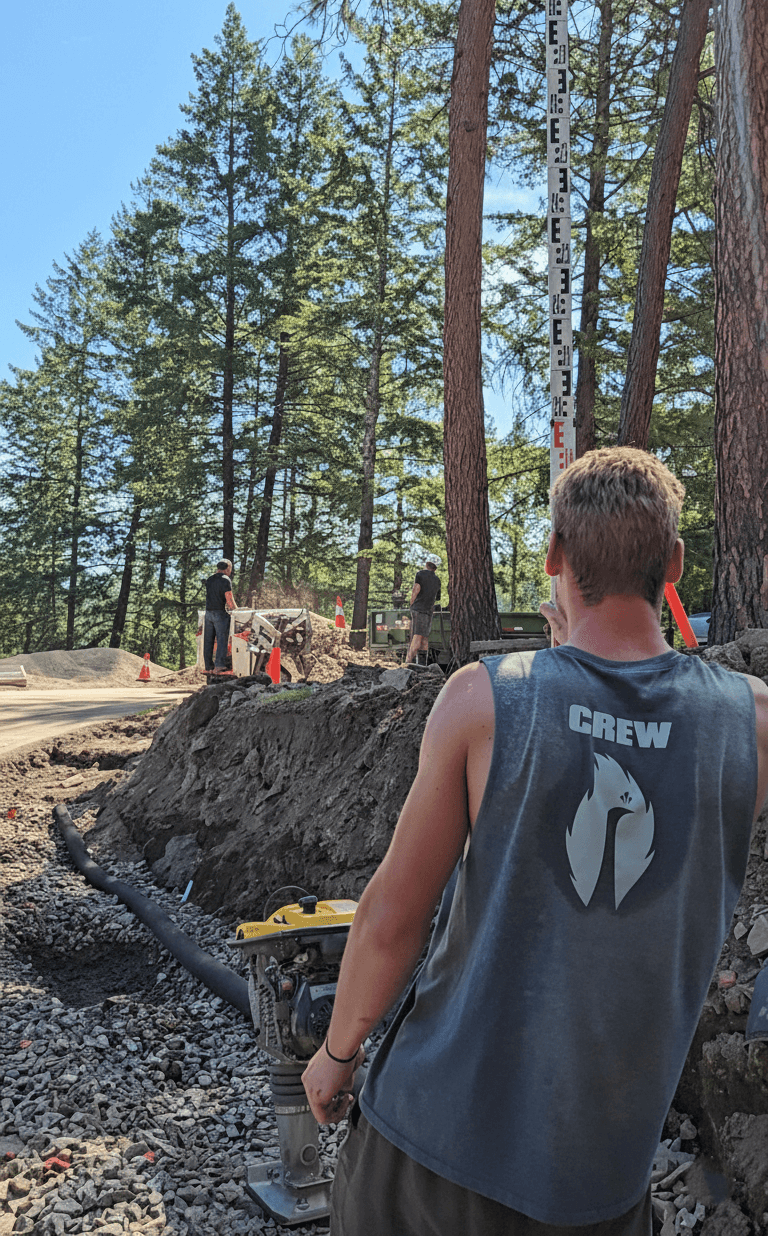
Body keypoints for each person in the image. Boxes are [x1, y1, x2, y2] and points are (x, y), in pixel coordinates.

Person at [301, 448, 768, 1236]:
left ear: (553, 556)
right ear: (676, 564)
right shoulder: (749, 720)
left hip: (429, 1157)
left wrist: (337, 1055)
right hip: (597, 1185)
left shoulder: (487, 698)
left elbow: (390, 920)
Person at [405, 553, 442, 666]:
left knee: (416, 636)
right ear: (436, 567)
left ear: (426, 564)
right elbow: (437, 598)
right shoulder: (437, 580)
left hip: (418, 609)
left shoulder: (420, 574)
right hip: (428, 611)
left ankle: (407, 663)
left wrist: (412, 604)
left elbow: (416, 590)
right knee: (424, 638)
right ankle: (422, 665)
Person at [203, 558, 237, 673]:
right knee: (222, 639)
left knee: (208, 641)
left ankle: (208, 666)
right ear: (227, 568)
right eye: (230, 569)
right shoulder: (225, 580)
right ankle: (219, 665)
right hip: (219, 613)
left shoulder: (210, 579)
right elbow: (229, 598)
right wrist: (236, 610)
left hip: (208, 614)